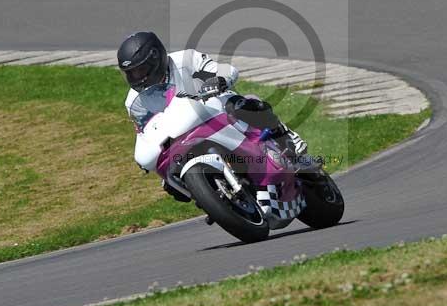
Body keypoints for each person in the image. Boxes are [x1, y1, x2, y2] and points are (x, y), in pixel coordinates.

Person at [117, 31, 308, 201]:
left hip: (212, 107)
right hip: (181, 133)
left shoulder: (186, 60)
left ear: (155, 58)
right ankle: (217, 197)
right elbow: (144, 130)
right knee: (171, 184)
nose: (137, 77)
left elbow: (223, 70)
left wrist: (218, 79)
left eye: (140, 69)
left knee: (245, 104)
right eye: (131, 73)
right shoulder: (134, 101)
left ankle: (285, 136)